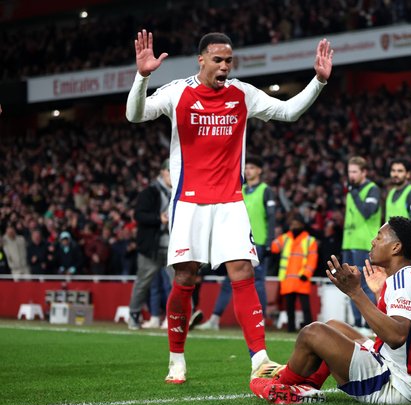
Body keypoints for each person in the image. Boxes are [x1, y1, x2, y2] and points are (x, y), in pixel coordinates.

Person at [126, 30, 333, 383]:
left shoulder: (242, 94)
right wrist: (142, 77)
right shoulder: (178, 92)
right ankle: (176, 358)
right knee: (186, 278)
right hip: (189, 203)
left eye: (229, 61)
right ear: (202, 59)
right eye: (218, 60)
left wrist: (318, 82)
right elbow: (135, 114)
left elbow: (288, 112)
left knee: (242, 273)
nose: (224, 67)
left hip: (230, 202)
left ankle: (260, 359)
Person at [249, 217, 411, 405]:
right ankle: (306, 387)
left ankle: (280, 387)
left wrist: (355, 292)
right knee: (333, 326)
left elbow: (396, 336)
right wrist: (378, 294)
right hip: (407, 376)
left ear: (396, 247)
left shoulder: (402, 282)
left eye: (379, 237)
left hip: (397, 384)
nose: (373, 241)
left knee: (312, 333)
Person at [195, 156, 276, 330]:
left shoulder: (265, 190)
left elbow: (271, 218)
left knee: (258, 282)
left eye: (252, 168)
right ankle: (215, 319)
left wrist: (269, 242)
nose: (248, 171)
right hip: (237, 240)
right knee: (228, 281)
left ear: (259, 171)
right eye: (246, 168)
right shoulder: (241, 189)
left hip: (258, 242)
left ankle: (259, 320)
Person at [128, 159, 173, 330]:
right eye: (169, 170)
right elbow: (139, 215)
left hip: (173, 246)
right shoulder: (150, 192)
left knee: (180, 282)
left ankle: (180, 317)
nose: (172, 174)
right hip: (151, 247)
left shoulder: (180, 192)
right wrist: (158, 219)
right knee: (143, 282)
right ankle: (133, 315)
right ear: (162, 172)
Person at [341, 156, 381, 330]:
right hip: (349, 242)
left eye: (355, 172)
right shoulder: (352, 190)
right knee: (350, 283)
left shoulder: (372, 189)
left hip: (364, 243)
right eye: (349, 171)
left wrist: (354, 192)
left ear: (364, 172)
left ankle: (368, 323)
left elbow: (367, 211)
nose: (351, 175)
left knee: (365, 284)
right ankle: (357, 323)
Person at [270, 212, 318, 332]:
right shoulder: (286, 238)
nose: (294, 227)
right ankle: (291, 329)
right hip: (288, 280)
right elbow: (274, 247)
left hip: (302, 279)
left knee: (306, 308)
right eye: (292, 224)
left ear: (302, 225)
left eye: (296, 224)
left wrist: (306, 274)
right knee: (289, 308)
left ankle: (311, 331)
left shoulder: (309, 240)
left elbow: (312, 260)